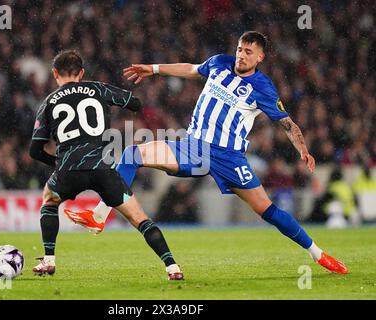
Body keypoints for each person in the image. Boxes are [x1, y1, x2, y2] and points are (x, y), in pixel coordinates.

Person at [68, 31, 348, 274]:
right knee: (131, 154)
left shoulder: (262, 87)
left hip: (229, 157)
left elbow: (286, 122)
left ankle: (317, 253)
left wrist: (303, 149)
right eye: (240, 49)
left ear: (260, 58)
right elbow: (190, 69)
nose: (241, 55)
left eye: (248, 52)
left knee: (267, 210)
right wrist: (153, 69)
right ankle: (100, 216)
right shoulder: (219, 63)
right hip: (194, 147)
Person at [29, 50, 183, 280]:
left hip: (68, 170)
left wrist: (58, 163)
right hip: (102, 169)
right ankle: (172, 267)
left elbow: (35, 151)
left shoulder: (49, 101)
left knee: (49, 202)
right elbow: (136, 104)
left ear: (54, 73)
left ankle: (49, 260)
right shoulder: (98, 89)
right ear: (81, 73)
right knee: (140, 219)